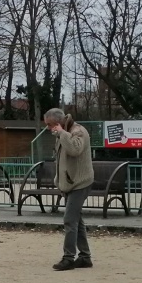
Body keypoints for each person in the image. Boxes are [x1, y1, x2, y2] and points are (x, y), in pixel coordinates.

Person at [44, 108, 94, 271]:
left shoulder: (78, 131)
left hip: (80, 183)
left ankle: (68, 258)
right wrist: (59, 181)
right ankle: (85, 257)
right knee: (76, 220)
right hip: (70, 183)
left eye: (50, 125)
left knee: (69, 219)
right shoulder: (63, 133)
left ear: (58, 123)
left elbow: (75, 150)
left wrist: (62, 134)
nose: (48, 128)